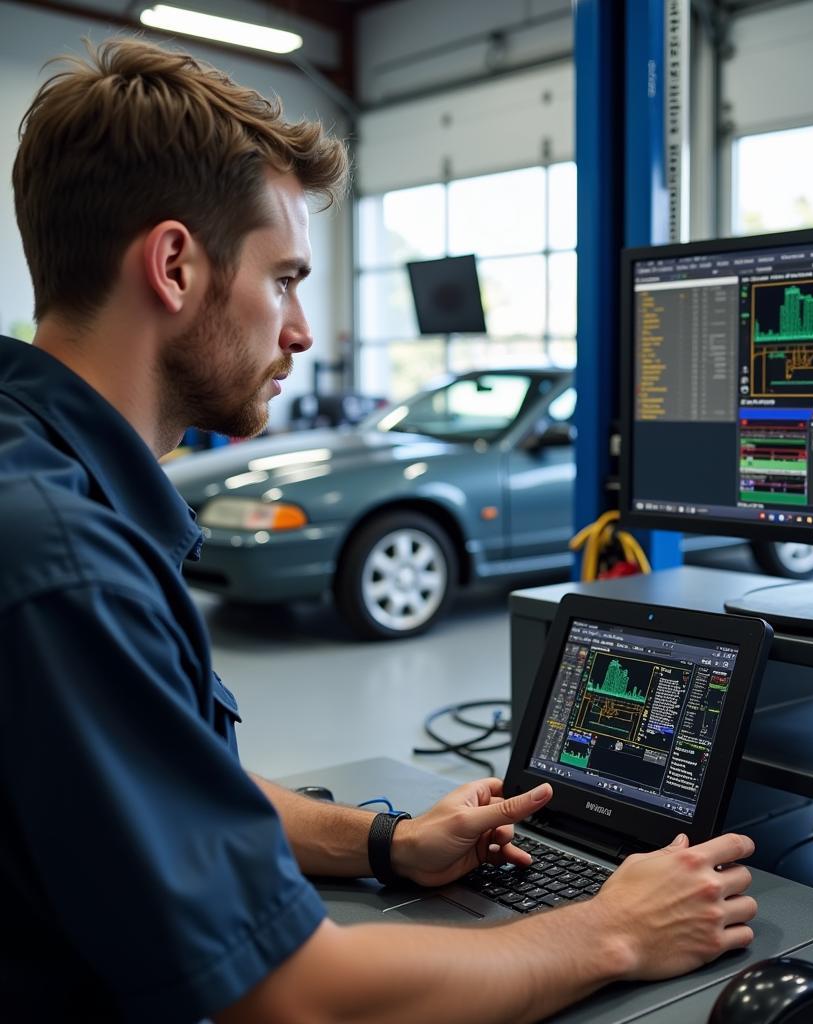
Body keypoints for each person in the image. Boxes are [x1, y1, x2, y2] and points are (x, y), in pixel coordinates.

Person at [0, 39, 757, 1023]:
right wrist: (608, 928)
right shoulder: (64, 559)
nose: (303, 329)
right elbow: (298, 1000)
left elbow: (166, 797)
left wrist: (383, 842)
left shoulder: (37, 478)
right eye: (283, 279)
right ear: (175, 264)